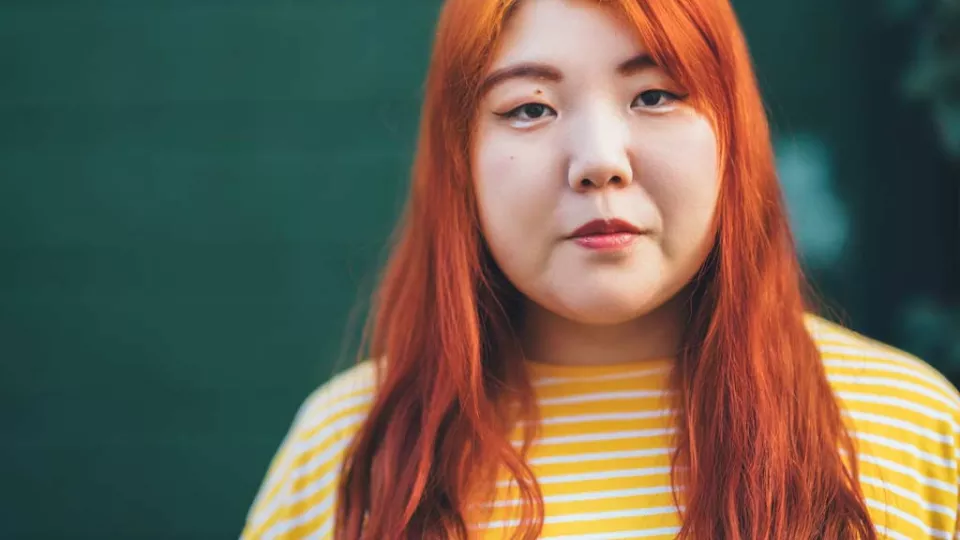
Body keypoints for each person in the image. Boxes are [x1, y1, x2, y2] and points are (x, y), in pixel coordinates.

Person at [240, 0, 960, 538]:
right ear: (460, 161)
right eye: (528, 108)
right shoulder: (349, 449)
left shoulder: (907, 426)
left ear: (732, 135)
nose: (600, 162)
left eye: (654, 95)